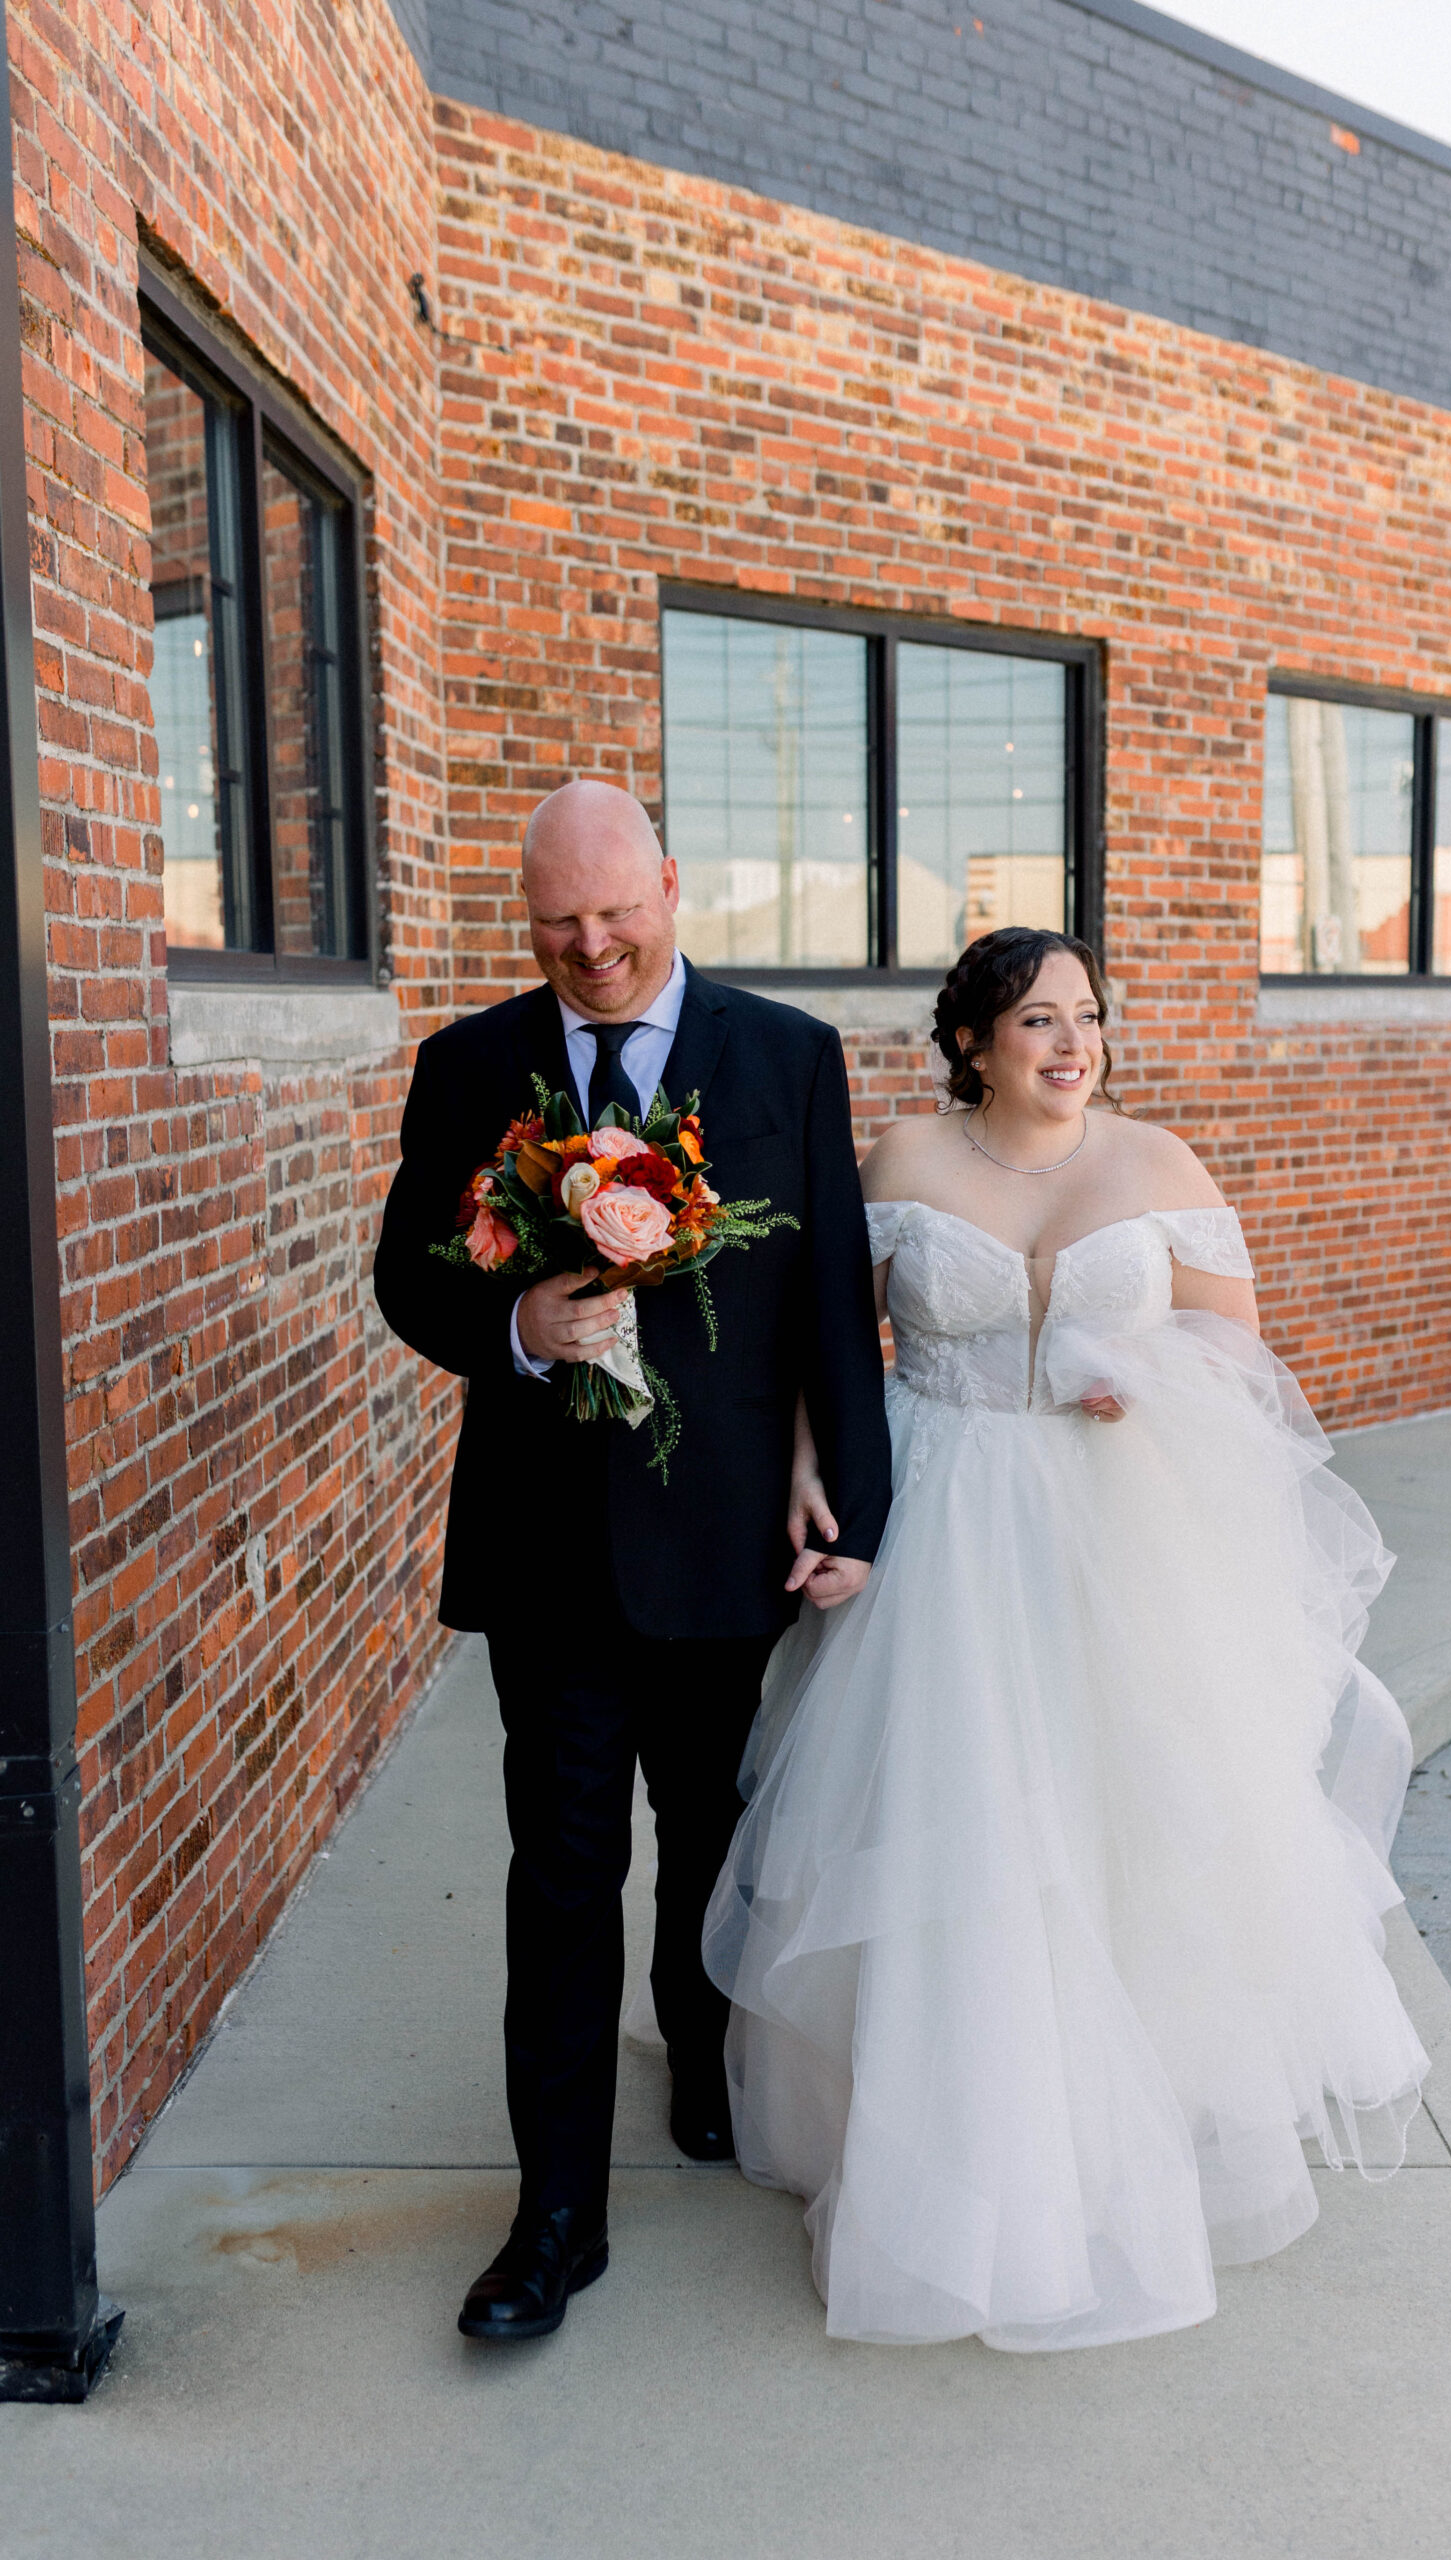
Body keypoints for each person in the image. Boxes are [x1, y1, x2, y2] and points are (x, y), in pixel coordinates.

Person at [705, 926, 1428, 2351]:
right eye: (1037, 1020)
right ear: (971, 1039)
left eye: (1086, 1019)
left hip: (1111, 1529)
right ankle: (953, 2143)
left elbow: (1241, 1348)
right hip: (945, 1526)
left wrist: (1144, 1374)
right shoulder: (905, 1159)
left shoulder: (1159, 1166)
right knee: (960, 1827)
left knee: (1120, 1824)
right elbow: (830, 1351)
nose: (1070, 1045)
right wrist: (809, 1473)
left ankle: (1116, 2138)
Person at [373, 780, 891, 2345]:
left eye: (616, 913)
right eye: (556, 924)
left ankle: (704, 2052)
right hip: (550, 1553)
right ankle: (554, 2220)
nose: (591, 948)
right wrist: (517, 1327)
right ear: (523, 920)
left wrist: (852, 1507)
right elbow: (408, 1270)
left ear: (671, 885)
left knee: (719, 1836)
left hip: (733, 1538)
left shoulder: (788, 1059)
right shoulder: (472, 1066)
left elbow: (827, 1304)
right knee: (562, 1874)